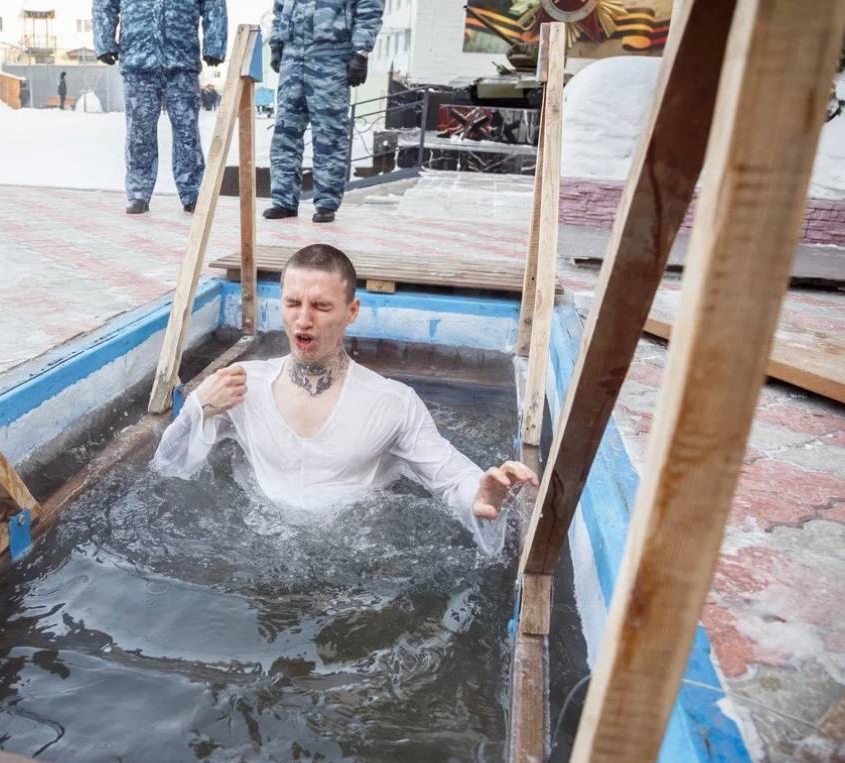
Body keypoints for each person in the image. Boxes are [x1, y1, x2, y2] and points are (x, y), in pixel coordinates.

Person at [151, 244, 537, 553]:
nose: (304, 319)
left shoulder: (391, 404)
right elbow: (167, 469)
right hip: (254, 549)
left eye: (320, 306)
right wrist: (197, 409)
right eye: (292, 303)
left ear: (352, 311)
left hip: (355, 561)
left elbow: (451, 477)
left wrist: (480, 496)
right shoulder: (241, 387)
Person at [94, 0, 227, 215]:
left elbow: (214, 4)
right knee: (139, 133)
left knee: (187, 133)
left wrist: (215, 44)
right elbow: (104, 4)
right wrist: (104, 42)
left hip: (182, 60)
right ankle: (139, 193)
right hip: (138, 61)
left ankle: (193, 193)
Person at [263, 0, 383, 224]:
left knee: (329, 133)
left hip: (331, 56)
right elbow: (279, 8)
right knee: (285, 133)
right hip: (293, 55)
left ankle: (326, 203)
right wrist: (277, 43)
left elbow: (369, 8)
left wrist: (360, 52)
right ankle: (283, 200)